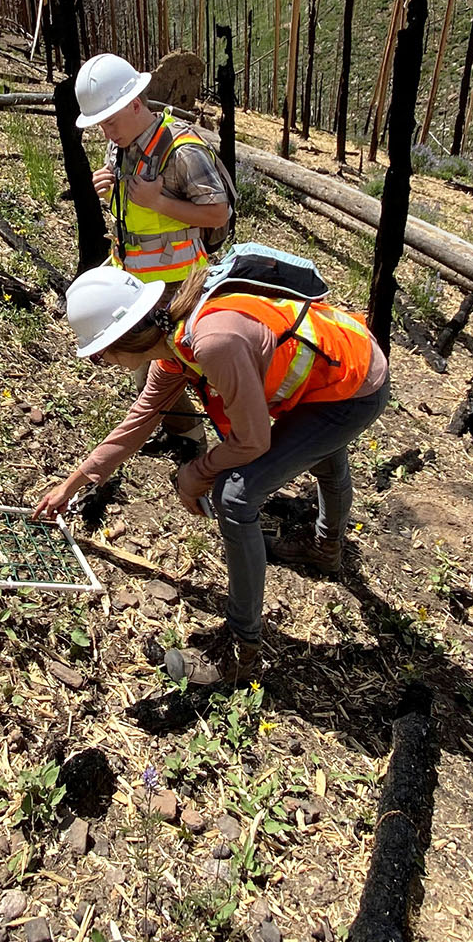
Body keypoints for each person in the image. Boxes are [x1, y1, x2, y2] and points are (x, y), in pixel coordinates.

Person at [34, 264, 390, 687]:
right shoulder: (174, 346)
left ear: (122, 340)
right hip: (334, 363)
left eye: (99, 352)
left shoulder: (213, 341)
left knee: (236, 497)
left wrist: (195, 474)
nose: (102, 361)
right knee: (322, 454)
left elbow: (252, 442)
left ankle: (242, 650)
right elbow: (139, 420)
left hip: (354, 382)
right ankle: (325, 548)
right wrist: (71, 484)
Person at [74, 53, 235, 444]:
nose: (107, 131)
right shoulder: (120, 146)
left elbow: (217, 214)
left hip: (179, 286)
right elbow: (133, 214)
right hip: (135, 282)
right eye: (100, 123)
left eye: (111, 120)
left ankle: (225, 445)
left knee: (189, 370)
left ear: (135, 103)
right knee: (149, 367)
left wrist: (159, 203)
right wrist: (110, 191)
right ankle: (186, 434)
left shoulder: (182, 149)